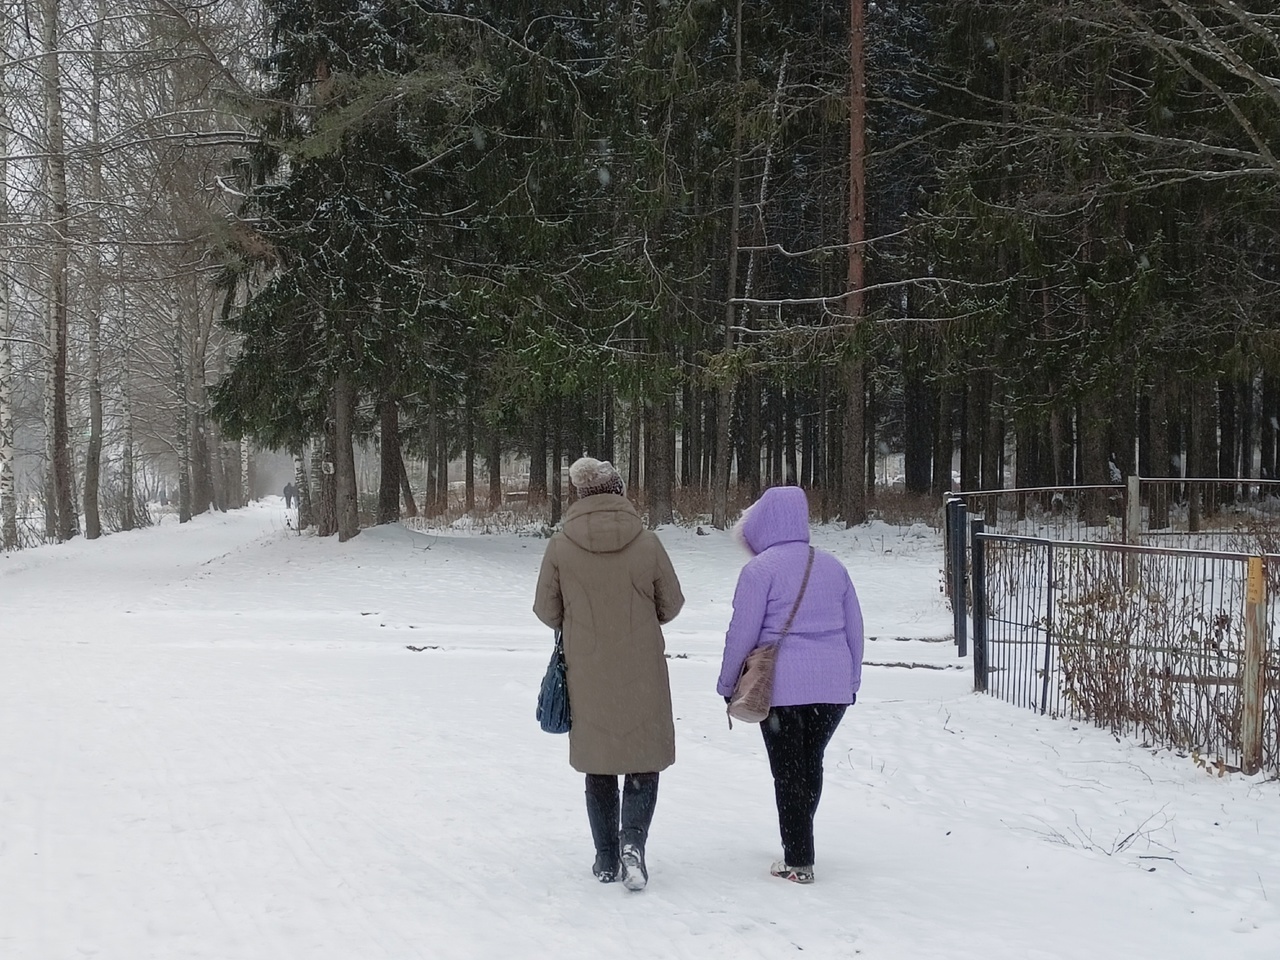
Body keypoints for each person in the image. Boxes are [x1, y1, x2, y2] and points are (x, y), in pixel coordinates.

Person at [533, 457, 684, 891]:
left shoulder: (560, 546)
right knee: (642, 759)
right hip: (642, 669)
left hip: (587, 669)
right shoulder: (648, 543)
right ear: (618, 491)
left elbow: (547, 611)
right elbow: (671, 605)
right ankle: (632, 843)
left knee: (599, 765)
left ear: (579, 496)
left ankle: (604, 857)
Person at [716, 485, 864, 885]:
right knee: (809, 762)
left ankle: (799, 860)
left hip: (780, 687)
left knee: (788, 771)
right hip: (832, 689)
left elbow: (741, 634)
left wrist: (728, 683)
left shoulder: (759, 571)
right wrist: (851, 680)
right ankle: (801, 841)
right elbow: (855, 628)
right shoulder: (833, 566)